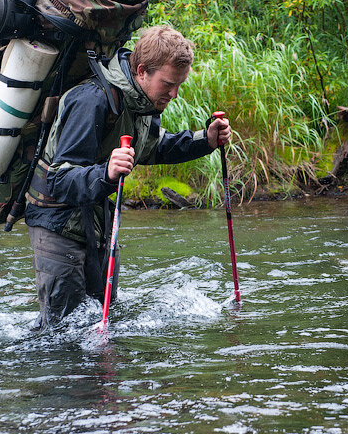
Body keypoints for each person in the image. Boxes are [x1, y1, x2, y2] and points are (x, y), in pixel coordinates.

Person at [25, 25, 232, 329]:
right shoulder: (92, 100)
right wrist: (106, 172)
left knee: (100, 322)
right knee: (62, 334)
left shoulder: (140, 102)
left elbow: (154, 147)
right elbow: (58, 180)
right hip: (57, 225)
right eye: (168, 84)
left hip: (98, 221)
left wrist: (207, 140)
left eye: (179, 85)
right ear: (141, 71)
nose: (174, 94)